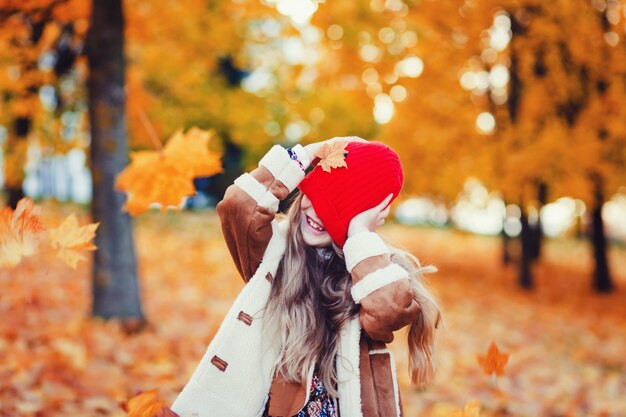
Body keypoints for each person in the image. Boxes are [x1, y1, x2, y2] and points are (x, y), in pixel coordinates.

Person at [171, 137, 441, 417]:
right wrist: (309, 153)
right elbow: (237, 204)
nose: (318, 214)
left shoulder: (366, 275)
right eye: (318, 197)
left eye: (337, 212)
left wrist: (360, 233)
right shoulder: (274, 254)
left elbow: (388, 312)